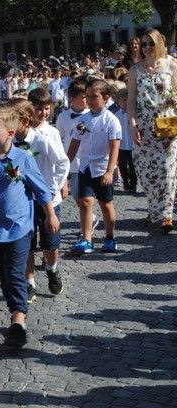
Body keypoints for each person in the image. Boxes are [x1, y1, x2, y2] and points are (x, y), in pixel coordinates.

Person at [0, 103, 60, 348]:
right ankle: (15, 308)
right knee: (4, 276)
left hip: (19, 228)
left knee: (16, 275)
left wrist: (51, 215)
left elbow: (40, 189)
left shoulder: (23, 158)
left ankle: (18, 323)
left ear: (10, 133)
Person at [10, 98, 69, 299]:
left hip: (46, 199)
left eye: (13, 120)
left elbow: (62, 163)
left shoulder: (42, 139)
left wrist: (54, 188)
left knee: (50, 243)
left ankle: (52, 268)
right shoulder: (9, 143)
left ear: (25, 121)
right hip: (22, 200)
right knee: (25, 242)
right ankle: (29, 281)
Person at [127, 28, 177, 233]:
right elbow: (130, 100)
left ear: (159, 44)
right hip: (144, 125)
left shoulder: (171, 65)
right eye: (144, 44)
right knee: (146, 171)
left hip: (167, 121)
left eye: (151, 44)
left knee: (167, 170)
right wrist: (133, 125)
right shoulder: (135, 70)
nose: (147, 48)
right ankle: (152, 207)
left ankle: (166, 214)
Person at [67, 79, 121, 253]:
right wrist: (66, 165)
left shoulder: (110, 120)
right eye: (87, 96)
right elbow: (75, 143)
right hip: (85, 167)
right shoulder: (83, 119)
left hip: (103, 167)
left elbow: (114, 147)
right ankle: (86, 238)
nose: (89, 100)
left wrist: (109, 171)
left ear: (105, 98)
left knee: (106, 204)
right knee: (85, 202)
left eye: (94, 96)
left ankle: (110, 237)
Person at [56, 79, 89, 202]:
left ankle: (89, 220)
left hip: (90, 162)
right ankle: (91, 219)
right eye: (84, 97)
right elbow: (58, 140)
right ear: (72, 99)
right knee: (76, 196)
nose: (87, 100)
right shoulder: (63, 117)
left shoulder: (91, 115)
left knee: (87, 198)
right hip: (73, 163)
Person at [115, 89, 137, 193]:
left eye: (128, 100)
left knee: (133, 166)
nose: (126, 102)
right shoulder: (116, 115)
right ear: (118, 101)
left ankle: (133, 184)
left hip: (133, 144)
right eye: (123, 100)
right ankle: (125, 181)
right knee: (122, 165)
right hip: (122, 145)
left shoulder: (134, 114)